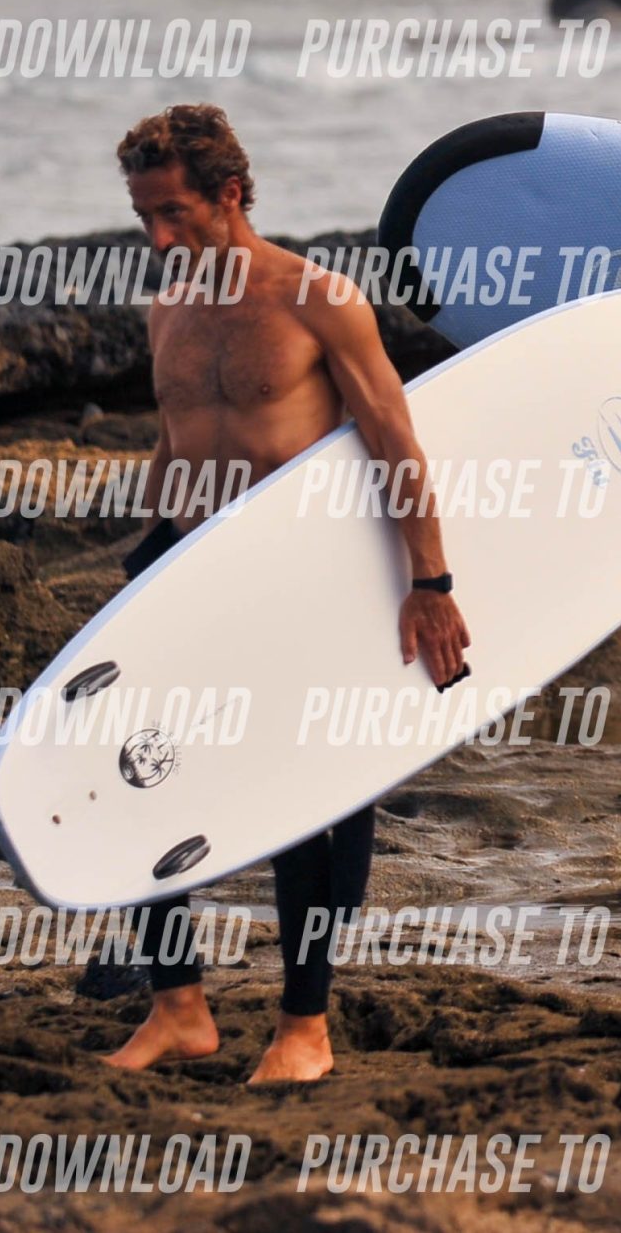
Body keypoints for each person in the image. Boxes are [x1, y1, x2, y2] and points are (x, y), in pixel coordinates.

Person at [100, 104, 471, 1084]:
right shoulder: (168, 308)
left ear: (230, 194)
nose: (158, 238)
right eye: (144, 216)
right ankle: (178, 1006)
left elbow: (395, 441)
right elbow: (174, 443)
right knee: (137, 769)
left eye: (174, 213)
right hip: (187, 569)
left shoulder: (318, 300)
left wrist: (429, 582)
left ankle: (304, 1027)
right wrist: (141, 566)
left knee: (309, 799)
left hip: (299, 579)